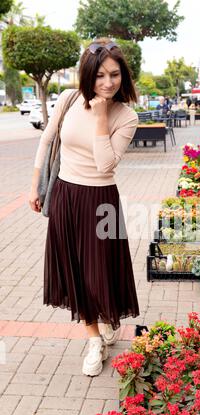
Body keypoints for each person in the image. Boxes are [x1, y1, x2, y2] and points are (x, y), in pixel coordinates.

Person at [29, 38, 140, 377]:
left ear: (124, 76)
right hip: (64, 194)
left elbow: (105, 165)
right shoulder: (69, 99)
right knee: (75, 269)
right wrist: (36, 184)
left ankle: (107, 320)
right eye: (100, 76)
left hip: (100, 200)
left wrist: (103, 115)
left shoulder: (126, 116)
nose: (108, 83)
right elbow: (48, 139)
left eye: (115, 75)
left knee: (99, 271)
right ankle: (94, 339)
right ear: (87, 75)